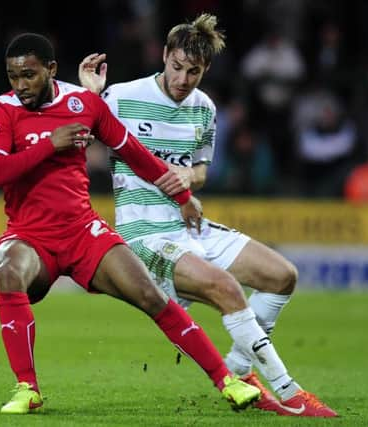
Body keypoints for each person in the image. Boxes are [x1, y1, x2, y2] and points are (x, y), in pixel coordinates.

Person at [0, 32, 261, 415]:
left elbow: (134, 152)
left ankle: (227, 381)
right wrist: (49, 144)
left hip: (83, 232)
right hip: (30, 237)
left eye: (29, 75)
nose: (21, 85)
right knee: (8, 270)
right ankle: (27, 387)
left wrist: (182, 195)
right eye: (13, 76)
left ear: (51, 69)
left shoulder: (83, 103)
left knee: (150, 296)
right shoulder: (0, 110)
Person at [78, 14, 337, 417]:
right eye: (176, 67)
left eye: (193, 71)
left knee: (282, 276)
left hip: (190, 225)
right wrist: (89, 98)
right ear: (164, 56)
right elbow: (81, 141)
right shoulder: (122, 96)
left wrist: (189, 177)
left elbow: (201, 168)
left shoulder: (204, 108)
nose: (183, 79)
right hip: (143, 234)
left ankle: (239, 365)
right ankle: (289, 392)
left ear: (206, 69)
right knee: (227, 289)